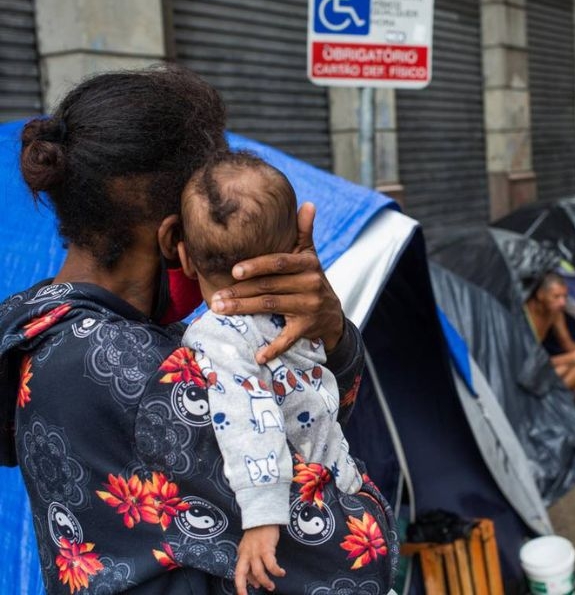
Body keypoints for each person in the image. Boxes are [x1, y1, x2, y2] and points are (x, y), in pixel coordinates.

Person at [0, 65, 396, 594]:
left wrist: (326, 332)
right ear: (173, 241)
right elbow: (356, 560)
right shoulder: (143, 375)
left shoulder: (38, 326)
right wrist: (368, 498)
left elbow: (284, 424)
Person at [177, 150, 394, 594]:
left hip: (307, 503)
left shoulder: (215, 335)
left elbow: (246, 417)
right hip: (346, 479)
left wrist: (261, 518)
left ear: (183, 257)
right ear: (293, 248)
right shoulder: (300, 314)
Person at [525, 272, 575, 394]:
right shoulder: (524, 315)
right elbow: (525, 362)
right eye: (556, 297)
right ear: (540, 295)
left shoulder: (555, 312)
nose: (562, 303)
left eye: (564, 297)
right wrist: (573, 357)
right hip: (525, 371)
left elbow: (566, 343)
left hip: (540, 367)